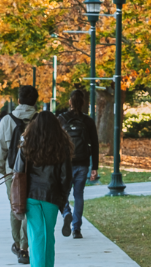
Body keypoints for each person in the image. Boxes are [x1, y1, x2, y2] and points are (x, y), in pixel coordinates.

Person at [16, 111, 73, 267]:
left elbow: (18, 170)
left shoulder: (26, 143)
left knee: (36, 236)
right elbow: (66, 176)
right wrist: (63, 198)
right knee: (48, 235)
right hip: (52, 197)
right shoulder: (62, 145)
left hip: (30, 196)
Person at [0, 86, 40, 264]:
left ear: (18, 100)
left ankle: (19, 246)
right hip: (36, 173)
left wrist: (2, 171)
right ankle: (26, 247)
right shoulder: (39, 120)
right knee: (32, 210)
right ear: (35, 102)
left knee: (16, 207)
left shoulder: (6, 120)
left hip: (13, 173)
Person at [55, 90, 99, 239]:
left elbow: (56, 143)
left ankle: (66, 212)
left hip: (65, 163)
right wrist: (95, 167)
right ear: (83, 103)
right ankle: (76, 229)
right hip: (83, 163)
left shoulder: (61, 119)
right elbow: (94, 145)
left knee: (63, 193)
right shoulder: (88, 121)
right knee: (78, 195)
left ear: (70, 102)